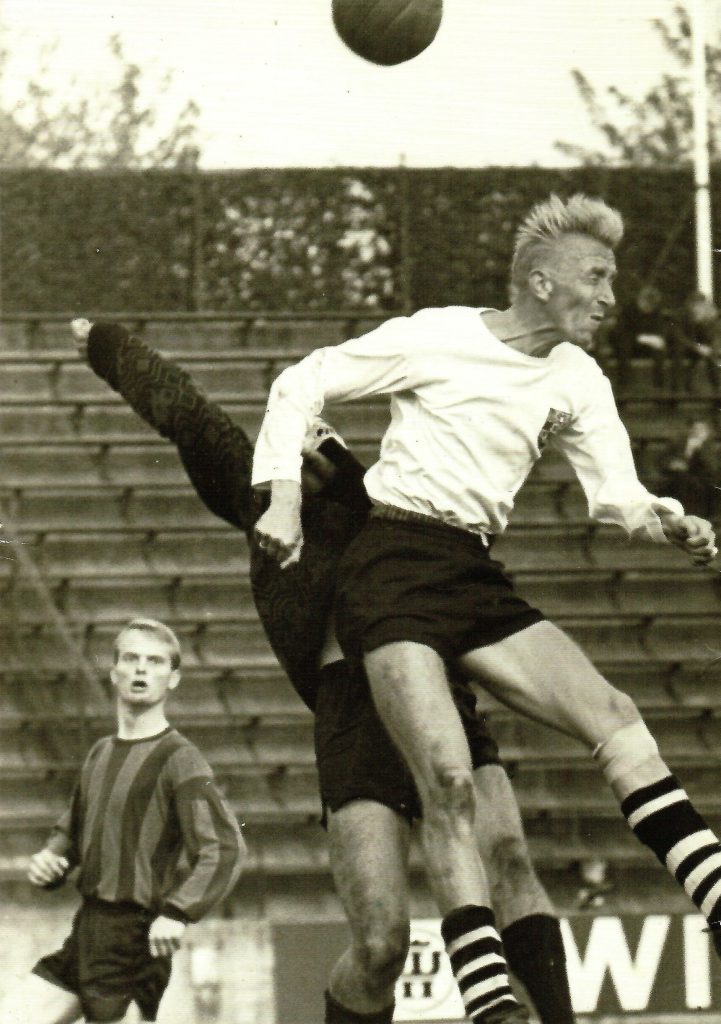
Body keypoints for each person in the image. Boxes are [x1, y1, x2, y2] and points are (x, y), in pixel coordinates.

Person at [252, 193, 721, 1024]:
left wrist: (666, 519)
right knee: (448, 780)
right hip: (388, 568)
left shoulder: (578, 377)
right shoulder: (438, 335)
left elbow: (614, 496)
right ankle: (488, 999)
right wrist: (283, 497)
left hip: (468, 570)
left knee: (615, 716)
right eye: (597, 276)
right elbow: (304, 380)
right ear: (540, 281)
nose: (611, 297)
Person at [71, 319, 576, 1024]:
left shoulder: (384, 497)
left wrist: (341, 464)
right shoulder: (258, 496)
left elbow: (449, 549)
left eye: (317, 426)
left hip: (434, 687)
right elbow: (184, 411)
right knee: (380, 944)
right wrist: (105, 342)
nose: (306, 437)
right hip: (351, 707)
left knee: (510, 863)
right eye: (296, 428)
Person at [0, 618, 246, 1024]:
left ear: (174, 678)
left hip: (132, 936)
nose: (141, 669)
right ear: (114, 673)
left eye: (155, 661)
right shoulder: (100, 753)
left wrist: (178, 912)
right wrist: (50, 860)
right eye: (131, 659)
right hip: (86, 930)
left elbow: (225, 846)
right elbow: (73, 831)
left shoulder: (178, 757)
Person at [656, 416, 721, 527]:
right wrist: (672, 464)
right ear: (690, 429)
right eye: (695, 429)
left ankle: (692, 519)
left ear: (708, 432)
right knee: (681, 481)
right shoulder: (678, 443)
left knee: (691, 483)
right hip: (676, 478)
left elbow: (712, 467)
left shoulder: (711, 446)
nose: (697, 432)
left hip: (704, 480)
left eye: (701, 429)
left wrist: (699, 448)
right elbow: (661, 461)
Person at [607, 282, 670, 389]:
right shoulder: (628, 311)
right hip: (629, 346)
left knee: (660, 351)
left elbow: (661, 330)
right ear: (640, 300)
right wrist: (643, 338)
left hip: (646, 347)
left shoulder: (656, 313)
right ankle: (623, 386)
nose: (648, 309)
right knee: (624, 346)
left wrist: (658, 339)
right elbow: (621, 332)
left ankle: (659, 387)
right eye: (646, 304)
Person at [668, 291, 721, 393]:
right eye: (697, 304)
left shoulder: (705, 316)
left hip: (697, 347)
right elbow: (678, 336)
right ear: (691, 304)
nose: (700, 307)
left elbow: (712, 336)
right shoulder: (680, 315)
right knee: (678, 354)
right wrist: (697, 347)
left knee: (712, 356)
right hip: (681, 346)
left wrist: (708, 322)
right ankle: (675, 392)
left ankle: (717, 392)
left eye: (702, 304)